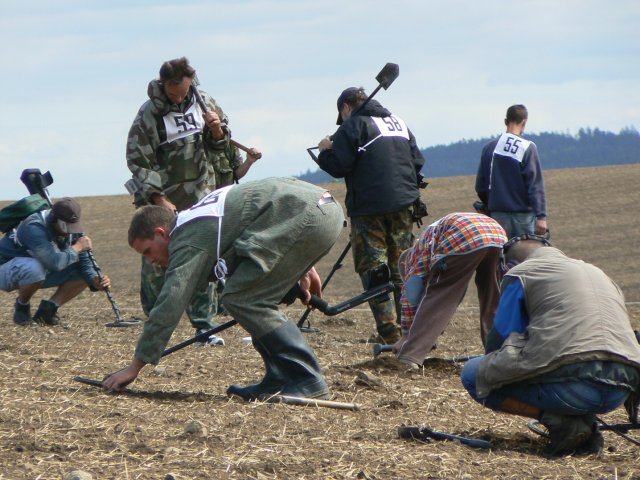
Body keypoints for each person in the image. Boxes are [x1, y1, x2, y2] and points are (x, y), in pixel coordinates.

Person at [102, 177, 345, 401]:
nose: (150, 261)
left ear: (161, 232)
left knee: (244, 299)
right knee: (248, 295)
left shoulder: (187, 237)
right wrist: (300, 265)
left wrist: (135, 367)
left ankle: (307, 379)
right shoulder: (196, 220)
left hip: (306, 216)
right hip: (319, 209)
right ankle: (280, 378)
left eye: (147, 251)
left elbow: (171, 300)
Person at [461, 235, 640, 456]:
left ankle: (563, 422)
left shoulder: (521, 273)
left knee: (473, 373)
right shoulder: (598, 273)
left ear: (509, 266)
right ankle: (581, 424)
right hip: (621, 387)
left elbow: (498, 342)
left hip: (574, 385)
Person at [126, 56, 261, 345]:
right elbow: (138, 159)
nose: (182, 96)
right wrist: (158, 198)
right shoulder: (149, 115)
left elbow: (220, 149)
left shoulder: (205, 102)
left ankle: (203, 324)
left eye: (186, 90)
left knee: (201, 255)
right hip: (164, 201)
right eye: (176, 92)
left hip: (202, 195)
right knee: (156, 260)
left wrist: (215, 129)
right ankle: (156, 324)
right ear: (164, 85)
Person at [314, 86, 425, 344]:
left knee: (375, 269)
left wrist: (324, 150)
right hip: (405, 205)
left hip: (369, 209)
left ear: (346, 107)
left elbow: (339, 165)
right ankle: (414, 331)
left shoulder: (352, 126)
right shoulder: (399, 123)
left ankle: (390, 334)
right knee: (403, 268)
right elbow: (418, 161)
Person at [393, 212, 507, 368]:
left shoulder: (415, 256)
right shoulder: (432, 236)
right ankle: (499, 353)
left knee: (441, 295)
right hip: (497, 235)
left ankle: (410, 356)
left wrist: (406, 335)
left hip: (464, 235)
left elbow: (412, 294)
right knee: (492, 298)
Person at [0, 197, 111, 326]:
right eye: (65, 226)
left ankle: (48, 311)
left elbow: (85, 263)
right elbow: (54, 263)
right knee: (35, 268)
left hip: (36, 268)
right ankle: (22, 307)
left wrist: (95, 280)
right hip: (5, 269)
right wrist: (77, 247)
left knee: (80, 271)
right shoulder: (33, 227)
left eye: (72, 226)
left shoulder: (72, 227)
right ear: (53, 219)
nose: (69, 231)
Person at [475, 104, 548, 238]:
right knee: (528, 258)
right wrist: (541, 216)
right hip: (523, 218)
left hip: (497, 216)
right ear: (524, 122)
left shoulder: (489, 148)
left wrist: (489, 205)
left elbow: (480, 186)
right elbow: (535, 185)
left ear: (506, 121)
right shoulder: (527, 147)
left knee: (498, 257)